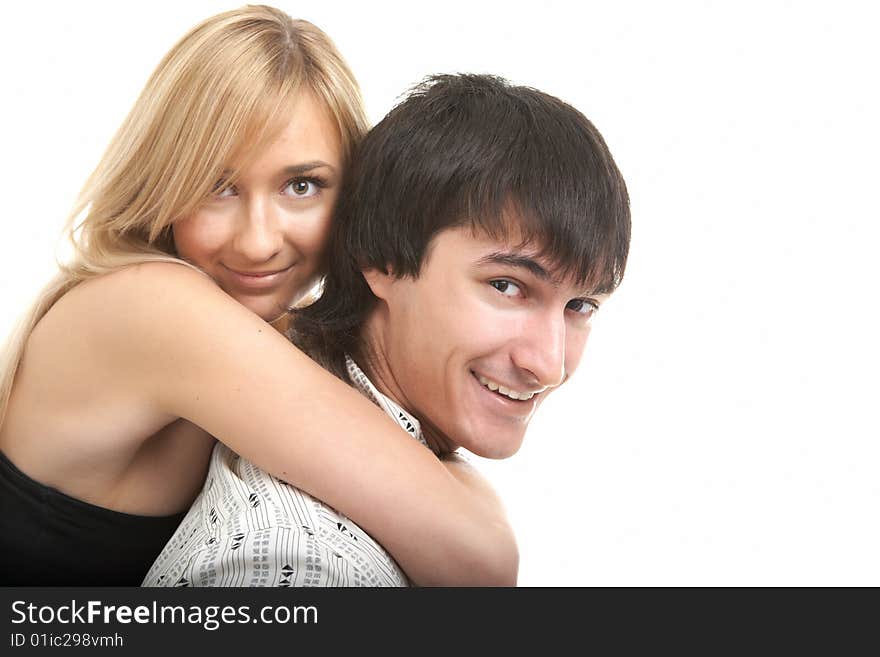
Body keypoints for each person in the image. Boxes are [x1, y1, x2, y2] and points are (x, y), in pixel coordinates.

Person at [0, 6, 516, 586]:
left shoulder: (266, 333)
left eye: (302, 185)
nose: (258, 241)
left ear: (352, 195)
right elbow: (478, 560)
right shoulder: (152, 305)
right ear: (162, 186)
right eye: (217, 187)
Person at [143, 74, 630, 587]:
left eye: (580, 304)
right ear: (382, 259)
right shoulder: (300, 566)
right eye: (507, 286)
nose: (549, 365)